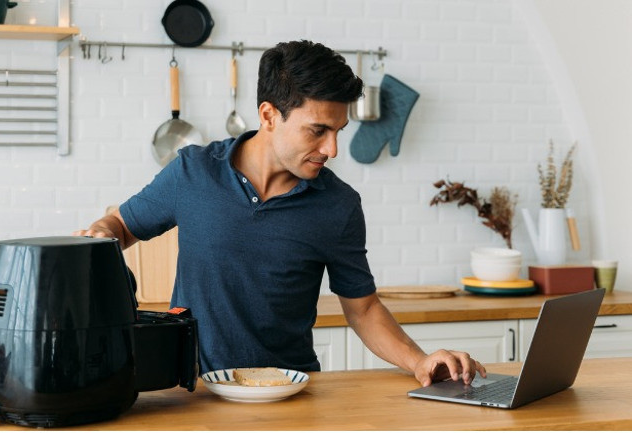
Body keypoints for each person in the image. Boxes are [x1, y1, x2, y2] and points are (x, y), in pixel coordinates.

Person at [74, 40, 486, 387]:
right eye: (317, 130)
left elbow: (363, 309)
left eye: (338, 131)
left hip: (288, 393)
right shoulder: (192, 172)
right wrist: (100, 235)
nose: (332, 150)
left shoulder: (338, 205)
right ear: (269, 115)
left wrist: (419, 361)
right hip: (194, 390)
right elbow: (123, 225)